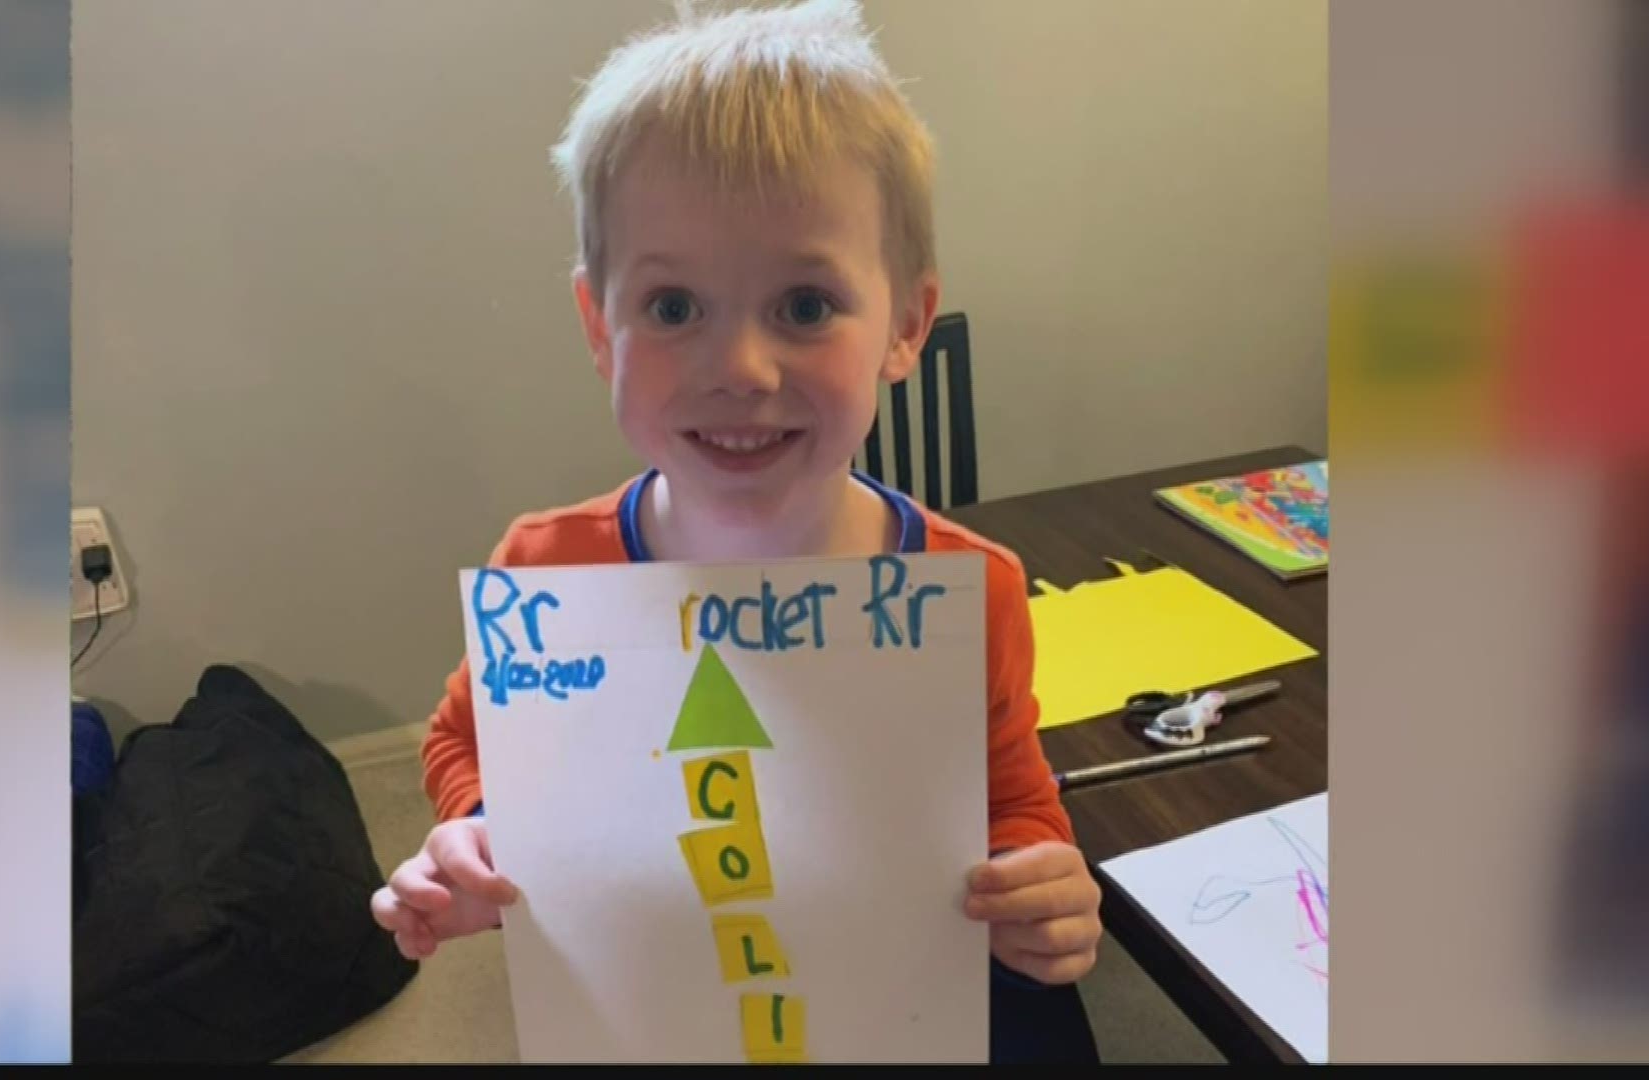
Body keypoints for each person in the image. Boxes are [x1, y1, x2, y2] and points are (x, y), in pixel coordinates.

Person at [370, 0, 1101, 1061]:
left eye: (804, 305)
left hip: (895, 1007)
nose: (741, 371)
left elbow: (1014, 794)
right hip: (661, 1006)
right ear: (597, 326)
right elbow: (459, 739)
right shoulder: (548, 574)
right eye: (673, 308)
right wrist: (478, 828)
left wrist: (1046, 873)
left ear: (905, 325)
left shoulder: (967, 587)